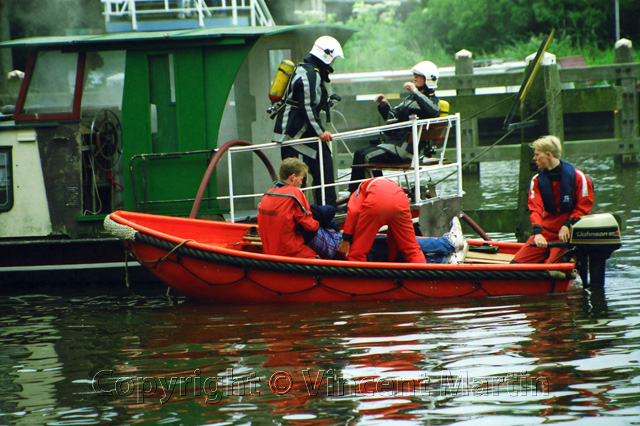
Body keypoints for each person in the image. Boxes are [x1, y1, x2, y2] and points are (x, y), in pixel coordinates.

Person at [272, 36, 344, 207]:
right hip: (295, 135)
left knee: (324, 166)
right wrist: (320, 131)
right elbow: (307, 106)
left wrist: (328, 103)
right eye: (333, 59)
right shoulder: (310, 74)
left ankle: (326, 211)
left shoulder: (310, 72)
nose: (332, 63)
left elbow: (310, 102)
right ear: (327, 56)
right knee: (296, 181)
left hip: (303, 134)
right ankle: (295, 214)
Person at [348, 61, 441, 193]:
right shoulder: (411, 99)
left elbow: (433, 111)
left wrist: (415, 91)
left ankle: (373, 193)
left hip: (406, 150)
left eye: (419, 76)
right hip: (396, 145)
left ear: (429, 79)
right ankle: (360, 193)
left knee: (366, 156)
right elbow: (393, 119)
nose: (414, 77)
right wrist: (384, 105)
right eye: (414, 75)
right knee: (359, 153)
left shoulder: (431, 100)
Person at [337, 177, 467, 263]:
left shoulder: (359, 190)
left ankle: (360, 285)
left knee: (356, 254)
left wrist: (346, 240)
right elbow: (392, 241)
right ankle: (427, 276)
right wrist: (391, 260)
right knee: (411, 249)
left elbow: (353, 211)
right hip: (400, 200)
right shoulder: (383, 184)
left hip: (376, 202)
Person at [512, 135, 594, 264]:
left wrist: (567, 225)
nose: (534, 159)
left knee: (551, 266)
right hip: (545, 232)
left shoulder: (579, 178)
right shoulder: (537, 180)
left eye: (537, 155)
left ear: (548, 155)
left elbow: (584, 206)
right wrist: (538, 232)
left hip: (565, 234)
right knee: (516, 264)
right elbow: (535, 208)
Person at [257, 157, 342, 259]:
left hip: (269, 251)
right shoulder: (294, 194)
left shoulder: (267, 195)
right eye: (301, 179)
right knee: (325, 255)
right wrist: (319, 222)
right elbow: (310, 226)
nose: (301, 183)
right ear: (293, 177)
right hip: (291, 252)